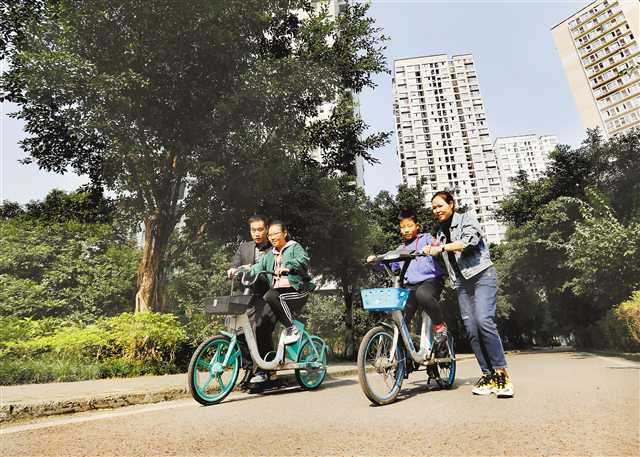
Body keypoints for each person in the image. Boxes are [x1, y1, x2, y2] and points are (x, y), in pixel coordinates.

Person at [428, 191, 514, 398]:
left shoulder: (467, 218)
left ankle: (502, 375)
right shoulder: (440, 233)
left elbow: (469, 241)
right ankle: (488, 375)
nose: (437, 210)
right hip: (462, 284)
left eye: (440, 205)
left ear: (451, 204)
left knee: (484, 320)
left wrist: (441, 248)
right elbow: (442, 258)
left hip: (482, 275)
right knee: (472, 328)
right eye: (433, 208)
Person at [368, 209, 447, 342]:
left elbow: (437, 244)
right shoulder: (399, 250)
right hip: (410, 286)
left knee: (423, 295)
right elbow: (389, 265)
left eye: (409, 226)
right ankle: (406, 353)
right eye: (403, 227)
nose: (406, 230)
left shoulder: (426, 238)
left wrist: (432, 247)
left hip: (431, 281)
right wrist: (375, 261)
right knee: (401, 316)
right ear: (400, 230)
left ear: (417, 226)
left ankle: (439, 325)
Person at [227, 214, 276, 384]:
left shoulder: (274, 247)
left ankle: (265, 370)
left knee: (261, 326)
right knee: (240, 330)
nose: (256, 233)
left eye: (260, 229)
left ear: (267, 229)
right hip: (249, 295)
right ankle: (249, 369)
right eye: (253, 230)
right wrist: (233, 269)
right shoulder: (244, 248)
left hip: (269, 295)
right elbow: (236, 263)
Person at [249, 221, 315, 344]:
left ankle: (292, 328)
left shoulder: (294, 247)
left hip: (297, 291)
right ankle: (268, 360)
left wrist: (289, 267)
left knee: (270, 294)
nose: (272, 237)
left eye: (276, 233)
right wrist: (241, 270)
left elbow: (303, 261)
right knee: (261, 323)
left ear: (284, 233)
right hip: (278, 296)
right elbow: (257, 267)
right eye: (270, 235)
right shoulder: (270, 255)